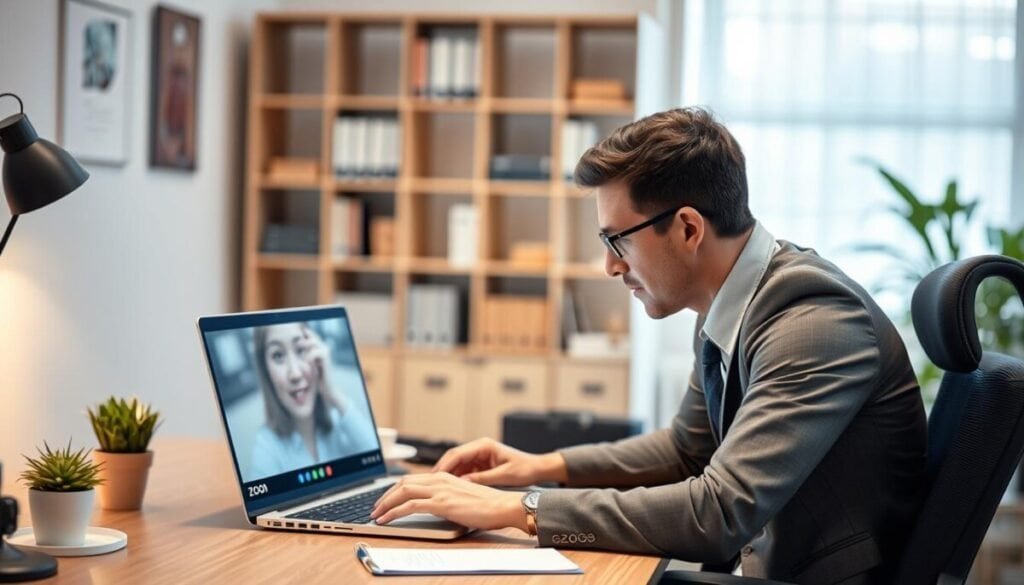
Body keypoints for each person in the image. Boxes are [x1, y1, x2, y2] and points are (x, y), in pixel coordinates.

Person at [370, 107, 927, 584]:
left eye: (618, 240)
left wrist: (521, 508)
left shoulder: (811, 322)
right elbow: (685, 451)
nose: (610, 265)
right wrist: (539, 466)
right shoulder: (731, 301)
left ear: (687, 229)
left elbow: (718, 511)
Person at [249, 322, 376, 479]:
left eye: (301, 350)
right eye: (278, 355)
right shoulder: (266, 446)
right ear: (266, 371)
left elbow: (376, 464)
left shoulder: (339, 421)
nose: (295, 374)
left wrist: (333, 394)